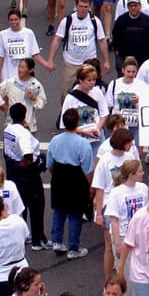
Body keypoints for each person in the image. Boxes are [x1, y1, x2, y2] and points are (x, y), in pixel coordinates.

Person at [47, 108, 94, 259]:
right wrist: (90, 188)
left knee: (59, 209)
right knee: (75, 213)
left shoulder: (55, 140)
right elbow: (87, 169)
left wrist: (57, 176)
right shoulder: (83, 144)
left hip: (59, 177)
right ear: (77, 123)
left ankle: (57, 241)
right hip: (76, 179)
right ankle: (73, 248)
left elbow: (49, 164)